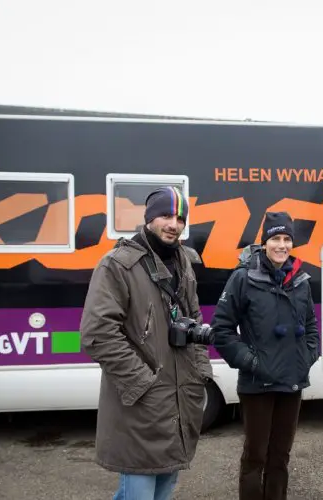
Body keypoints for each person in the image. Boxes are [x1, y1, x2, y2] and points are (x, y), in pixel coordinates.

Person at [80, 186, 213, 500]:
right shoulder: (118, 265)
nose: (174, 224)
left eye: (180, 218)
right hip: (142, 404)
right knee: (139, 493)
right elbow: (97, 334)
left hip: (180, 401)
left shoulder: (184, 263)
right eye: (166, 215)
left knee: (163, 491)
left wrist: (200, 373)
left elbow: (194, 320)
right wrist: (143, 382)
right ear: (150, 218)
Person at [211, 211, 319, 500]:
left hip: (292, 383)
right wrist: (252, 363)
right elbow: (221, 330)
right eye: (275, 238)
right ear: (264, 242)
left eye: (286, 239)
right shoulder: (243, 278)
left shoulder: (301, 280)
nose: (281, 245)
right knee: (255, 457)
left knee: (280, 457)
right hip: (258, 384)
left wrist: (308, 355)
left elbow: (311, 326)